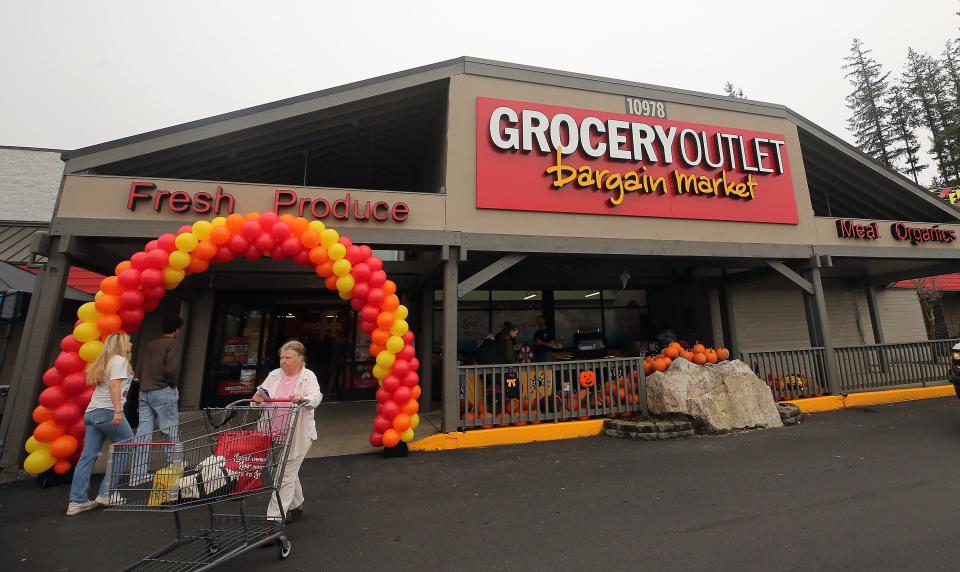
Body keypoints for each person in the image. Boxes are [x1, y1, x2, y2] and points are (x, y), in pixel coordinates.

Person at [253, 340, 323, 524]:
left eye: (288, 357)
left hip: (296, 435)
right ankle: (296, 504)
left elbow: (316, 397)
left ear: (300, 358)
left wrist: (303, 398)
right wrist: (257, 398)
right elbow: (260, 395)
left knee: (284, 475)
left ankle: (274, 521)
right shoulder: (275, 375)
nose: (283, 361)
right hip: (271, 432)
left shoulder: (308, 376)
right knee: (280, 471)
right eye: (281, 357)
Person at [67, 333, 135, 516]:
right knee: (128, 444)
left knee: (88, 456)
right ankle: (107, 492)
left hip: (92, 412)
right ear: (121, 343)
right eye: (128, 340)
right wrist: (118, 410)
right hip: (107, 411)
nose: (131, 342)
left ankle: (76, 501)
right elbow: (114, 386)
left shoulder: (106, 361)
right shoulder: (120, 360)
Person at [130, 316, 183, 484]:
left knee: (143, 432)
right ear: (176, 330)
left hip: (145, 391)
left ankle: (137, 474)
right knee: (169, 429)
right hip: (163, 390)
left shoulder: (151, 344)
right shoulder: (172, 344)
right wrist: (172, 384)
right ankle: (173, 468)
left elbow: (140, 367)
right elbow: (172, 368)